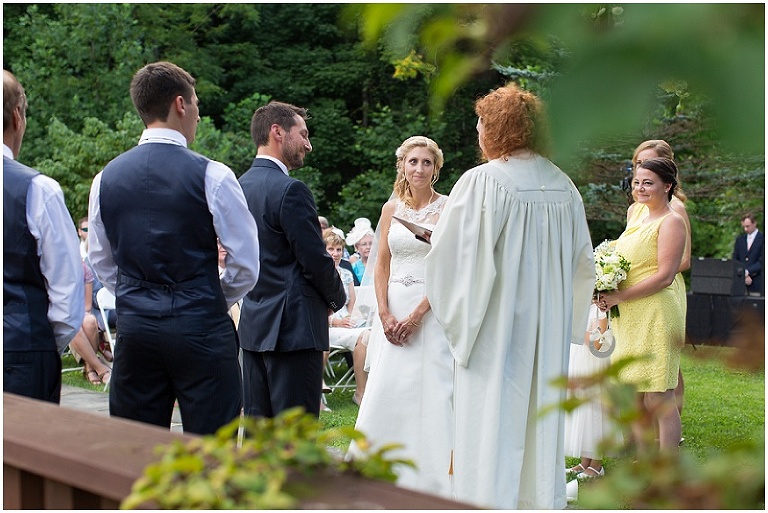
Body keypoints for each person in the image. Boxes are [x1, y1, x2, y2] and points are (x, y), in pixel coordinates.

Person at [424, 84, 594, 509]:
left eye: (482, 122)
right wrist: (564, 322)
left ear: (498, 128)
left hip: (494, 334)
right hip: (546, 334)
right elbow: (582, 265)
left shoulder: (483, 182)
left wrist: (460, 323)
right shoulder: (564, 186)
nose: (478, 130)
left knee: (491, 430)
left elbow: (450, 261)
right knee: (540, 431)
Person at [88, 61, 260, 435]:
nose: (198, 113)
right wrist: (210, 297)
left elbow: (99, 259)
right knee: (212, 449)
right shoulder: (213, 174)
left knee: (135, 447)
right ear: (181, 105)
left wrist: (136, 295)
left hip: (136, 329)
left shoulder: (105, 178)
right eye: (196, 103)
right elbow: (246, 263)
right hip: (200, 325)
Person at [349, 135, 454, 499]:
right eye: (413, 162)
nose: (419, 168)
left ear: (436, 169)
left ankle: (431, 471)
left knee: (432, 384)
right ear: (402, 166)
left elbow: (450, 269)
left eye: (427, 162)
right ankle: (377, 464)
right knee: (388, 384)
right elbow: (380, 265)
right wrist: (384, 312)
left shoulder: (448, 208)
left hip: (430, 307)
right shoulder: (390, 209)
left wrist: (417, 315)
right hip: (391, 306)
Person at [238, 101, 346, 419]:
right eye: (303, 134)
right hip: (295, 328)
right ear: (278, 132)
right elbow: (314, 258)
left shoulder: (236, 186)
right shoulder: (290, 190)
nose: (308, 145)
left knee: (260, 434)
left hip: (255, 325)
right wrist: (334, 299)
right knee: (295, 439)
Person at [3, 69, 84, 404]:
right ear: (18, 117)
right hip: (21, 350)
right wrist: (41, 342)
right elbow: (67, 287)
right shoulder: (38, 189)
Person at [598, 157, 687, 455]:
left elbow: (664, 276)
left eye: (648, 182)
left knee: (658, 396)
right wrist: (605, 284)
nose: (640, 188)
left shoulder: (671, 221)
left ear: (667, 186)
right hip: (630, 316)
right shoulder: (636, 215)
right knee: (633, 394)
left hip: (656, 314)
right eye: (637, 182)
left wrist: (620, 297)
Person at [629, 139, 690, 420]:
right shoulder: (637, 207)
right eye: (638, 164)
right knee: (642, 367)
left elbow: (684, 260)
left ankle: (670, 429)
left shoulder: (675, 210)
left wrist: (647, 274)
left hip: (665, 287)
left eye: (648, 163)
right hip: (637, 290)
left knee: (667, 367)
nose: (641, 170)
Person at [564, 303, 618, 479]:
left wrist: (573, 330)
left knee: (595, 410)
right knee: (583, 410)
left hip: (594, 364)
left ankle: (596, 463)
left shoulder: (600, 309)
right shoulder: (582, 306)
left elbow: (597, 342)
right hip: (579, 361)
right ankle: (584, 461)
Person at [323, 228, 371, 407]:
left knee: (368, 334)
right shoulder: (319, 275)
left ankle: (361, 392)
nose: (335, 254)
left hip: (346, 324)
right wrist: (335, 321)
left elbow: (353, 307)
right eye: (331, 249)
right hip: (327, 325)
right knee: (363, 335)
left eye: (338, 250)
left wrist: (351, 320)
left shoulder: (347, 274)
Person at [69, 259, 113, 385]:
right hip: (59, 312)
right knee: (73, 325)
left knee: (89, 321)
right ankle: (100, 368)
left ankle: (89, 367)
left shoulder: (84, 270)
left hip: (79, 311)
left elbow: (87, 307)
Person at [733, 213, 764, 296]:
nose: (745, 229)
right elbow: (735, 258)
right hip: (741, 282)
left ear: (754, 223)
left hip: (757, 281)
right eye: (744, 227)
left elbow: (762, 261)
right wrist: (743, 274)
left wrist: (748, 272)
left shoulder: (763, 239)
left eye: (748, 226)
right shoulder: (740, 240)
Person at [346, 217, 375, 284]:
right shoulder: (354, 268)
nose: (368, 247)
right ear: (357, 247)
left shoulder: (381, 264)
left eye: (371, 243)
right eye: (364, 244)